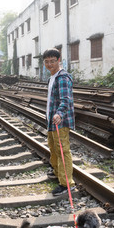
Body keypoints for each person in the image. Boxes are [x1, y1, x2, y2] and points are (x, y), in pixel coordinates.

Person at [43, 48, 75, 195]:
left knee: (63, 151)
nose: (49, 64)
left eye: (52, 61)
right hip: (52, 120)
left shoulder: (62, 77)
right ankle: (57, 173)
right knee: (54, 148)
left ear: (58, 61)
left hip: (60, 121)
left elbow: (66, 100)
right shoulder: (52, 77)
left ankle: (66, 184)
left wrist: (59, 114)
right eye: (47, 61)